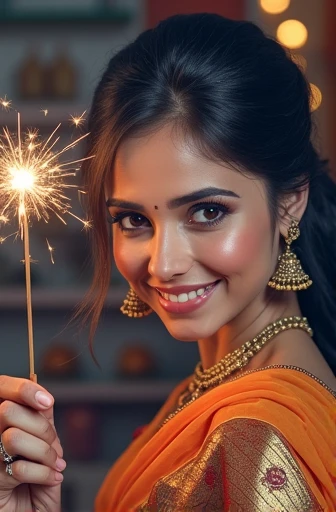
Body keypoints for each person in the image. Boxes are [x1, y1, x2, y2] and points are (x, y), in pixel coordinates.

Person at [0, 12, 335, 512]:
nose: (164, 263)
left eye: (206, 211)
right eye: (133, 219)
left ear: (289, 201)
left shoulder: (257, 437)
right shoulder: (221, 379)